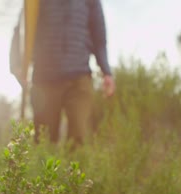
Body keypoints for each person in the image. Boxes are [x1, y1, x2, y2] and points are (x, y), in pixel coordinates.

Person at [9, 0, 115, 145]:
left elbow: (99, 36)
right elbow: (22, 29)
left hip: (79, 77)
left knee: (81, 138)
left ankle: (77, 167)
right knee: (44, 142)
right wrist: (16, 64)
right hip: (44, 79)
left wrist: (106, 71)